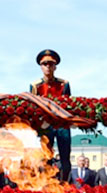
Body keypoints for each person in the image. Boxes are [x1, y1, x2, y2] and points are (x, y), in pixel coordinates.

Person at [30, 49, 72, 182]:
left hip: (61, 125)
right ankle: (46, 183)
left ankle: (64, 182)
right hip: (45, 125)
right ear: (41, 67)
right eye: (45, 64)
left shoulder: (63, 84)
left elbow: (68, 104)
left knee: (65, 157)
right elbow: (33, 108)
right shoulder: (35, 86)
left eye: (51, 64)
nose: (48, 67)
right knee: (45, 157)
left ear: (55, 67)